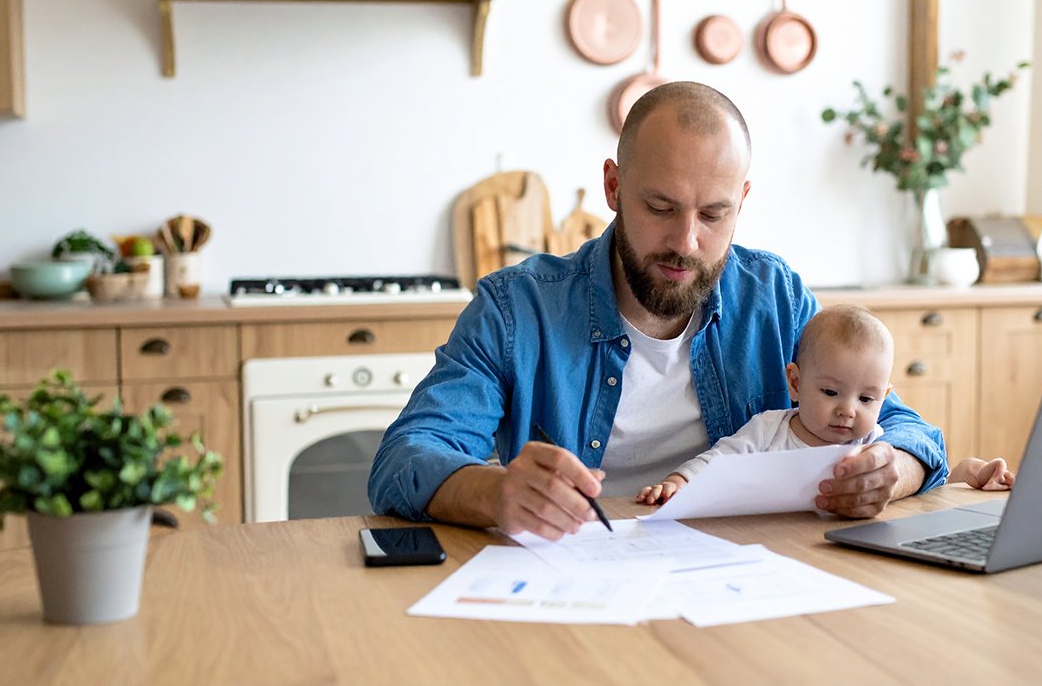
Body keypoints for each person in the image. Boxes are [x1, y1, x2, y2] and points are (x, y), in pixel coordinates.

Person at [367, 81, 950, 541]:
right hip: (571, 575)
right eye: (661, 207)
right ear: (614, 186)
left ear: (742, 200)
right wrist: (495, 492)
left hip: (743, 572)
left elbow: (904, 429)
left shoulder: (775, 298)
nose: (686, 242)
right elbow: (405, 457)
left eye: (714, 214)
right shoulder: (518, 308)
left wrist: (891, 473)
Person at [635, 305, 1014, 505]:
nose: (848, 410)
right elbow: (718, 460)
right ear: (796, 383)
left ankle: (975, 472)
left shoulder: (873, 444)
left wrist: (965, 476)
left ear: (884, 397)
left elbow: (920, 487)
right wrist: (679, 481)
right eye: (831, 393)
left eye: (867, 399)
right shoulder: (770, 430)